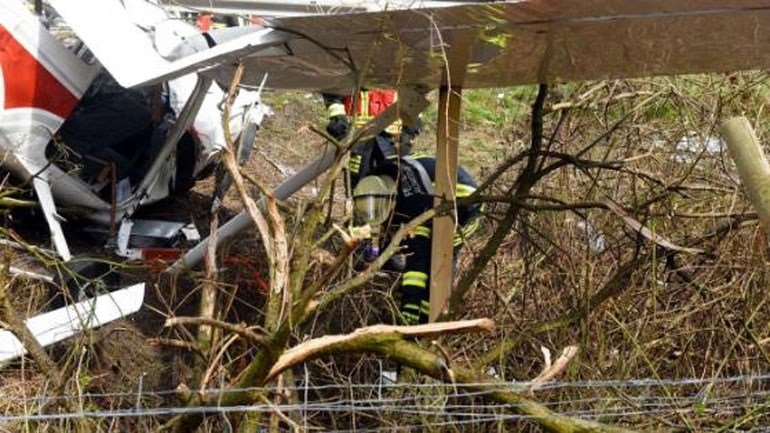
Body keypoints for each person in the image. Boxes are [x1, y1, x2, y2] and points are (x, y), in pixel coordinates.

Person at [351, 155, 481, 324]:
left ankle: (429, 316)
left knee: (438, 261)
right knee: (409, 242)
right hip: (433, 191)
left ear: (392, 202)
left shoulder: (414, 205)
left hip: (462, 209)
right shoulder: (379, 178)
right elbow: (384, 227)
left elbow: (418, 258)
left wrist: (410, 304)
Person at [323, 90, 421, 188]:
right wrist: (338, 119)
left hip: (392, 138)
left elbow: (414, 94)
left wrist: (409, 132)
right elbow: (333, 92)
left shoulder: (398, 75)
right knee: (358, 185)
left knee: (395, 183)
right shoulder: (349, 75)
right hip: (358, 138)